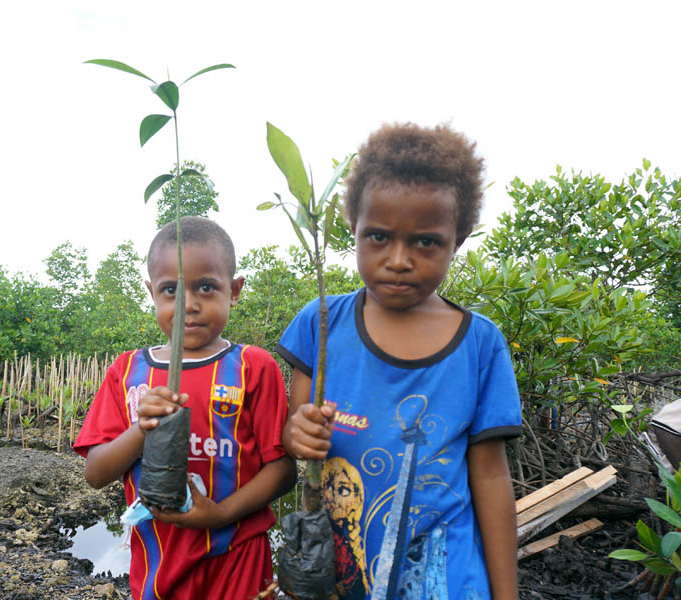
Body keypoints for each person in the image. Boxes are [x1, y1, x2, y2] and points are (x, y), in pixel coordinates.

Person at [278, 123, 522, 599]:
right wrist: (297, 434)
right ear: (353, 229)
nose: (399, 259)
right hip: (342, 574)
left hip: (445, 581)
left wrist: (506, 594)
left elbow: (491, 477)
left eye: (425, 242)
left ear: (460, 237)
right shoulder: (321, 324)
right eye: (379, 236)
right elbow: (295, 434)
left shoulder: (480, 345)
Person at [74, 216, 296, 600]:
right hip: (158, 555)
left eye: (206, 287)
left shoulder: (253, 367)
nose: (189, 305)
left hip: (238, 553)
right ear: (151, 293)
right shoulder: (127, 371)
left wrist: (222, 514)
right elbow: (95, 473)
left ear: (235, 290)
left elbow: (283, 469)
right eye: (171, 290)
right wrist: (141, 428)